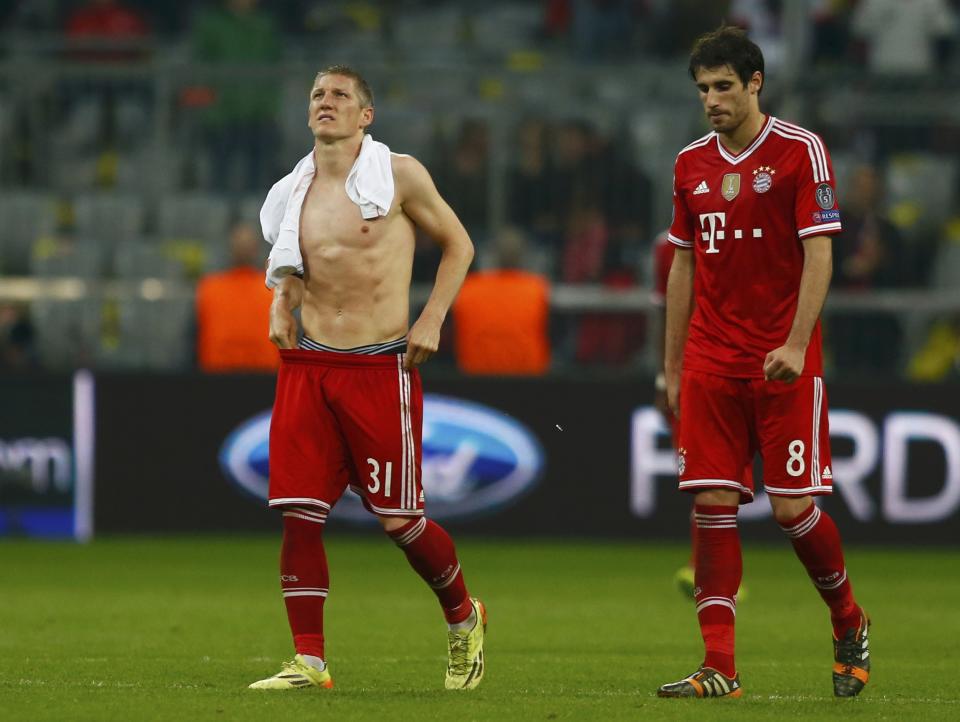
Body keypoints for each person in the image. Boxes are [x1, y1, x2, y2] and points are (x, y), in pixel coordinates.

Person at [248, 65, 484, 692]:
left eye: (340, 96)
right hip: (311, 365)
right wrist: (279, 305)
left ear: (366, 115)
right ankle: (308, 660)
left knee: (400, 522)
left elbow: (460, 244)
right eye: (318, 95)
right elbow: (291, 273)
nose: (326, 103)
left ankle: (464, 617)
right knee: (299, 513)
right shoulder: (290, 192)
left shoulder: (399, 174)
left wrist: (431, 318)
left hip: (381, 365)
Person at [658, 27, 869, 699]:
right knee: (712, 503)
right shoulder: (690, 163)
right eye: (703, 89)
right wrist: (671, 366)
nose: (712, 100)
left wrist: (796, 343)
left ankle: (848, 619)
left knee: (791, 509)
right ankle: (719, 666)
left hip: (782, 360)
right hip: (710, 361)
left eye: (724, 86)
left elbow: (820, 254)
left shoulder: (801, 151)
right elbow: (681, 268)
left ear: (755, 84)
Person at [452, 226, 550, 375]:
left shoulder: (467, 288)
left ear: (491, 256)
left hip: (474, 383)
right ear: (524, 257)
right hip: (529, 383)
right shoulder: (537, 289)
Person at [195, 220, 278, 372]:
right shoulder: (209, 288)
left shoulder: (274, 290)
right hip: (220, 377)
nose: (243, 248)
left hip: (263, 378)